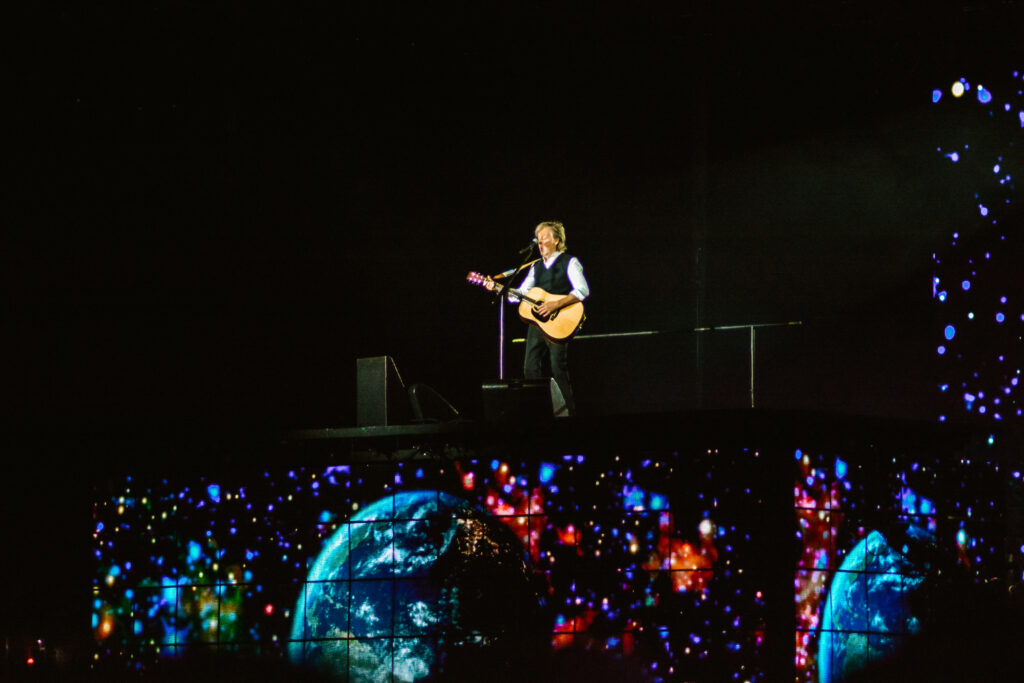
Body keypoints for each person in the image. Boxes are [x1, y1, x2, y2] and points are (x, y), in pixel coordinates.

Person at [487, 221, 590, 416]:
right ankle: (539, 413)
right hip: (537, 324)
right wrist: (498, 288)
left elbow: (582, 290)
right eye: (538, 238)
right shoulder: (535, 267)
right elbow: (522, 294)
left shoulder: (569, 262)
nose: (540, 242)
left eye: (544, 237)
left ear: (557, 240)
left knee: (557, 367)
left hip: (559, 322)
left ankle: (570, 416)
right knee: (530, 368)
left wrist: (555, 304)